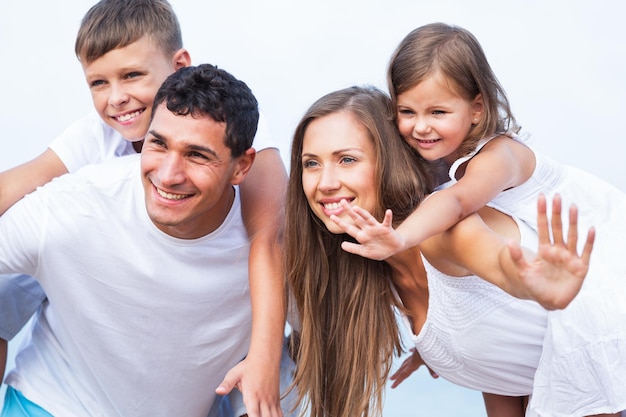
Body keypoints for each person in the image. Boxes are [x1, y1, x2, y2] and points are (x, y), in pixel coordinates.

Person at [0, 1, 288, 415]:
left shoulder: (235, 130)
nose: (117, 98)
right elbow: (24, 178)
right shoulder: (94, 138)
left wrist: (263, 354)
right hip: (84, 255)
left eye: (132, 75)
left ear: (179, 65)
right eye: (98, 82)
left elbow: (268, 239)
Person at [331, 23, 626, 416]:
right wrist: (439, 343)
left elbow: (455, 203)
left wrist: (399, 239)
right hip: (548, 276)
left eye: (437, 111)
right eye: (407, 111)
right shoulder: (437, 160)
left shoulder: (499, 155)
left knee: (580, 380)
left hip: (600, 275)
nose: (420, 126)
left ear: (477, 109)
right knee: (497, 369)